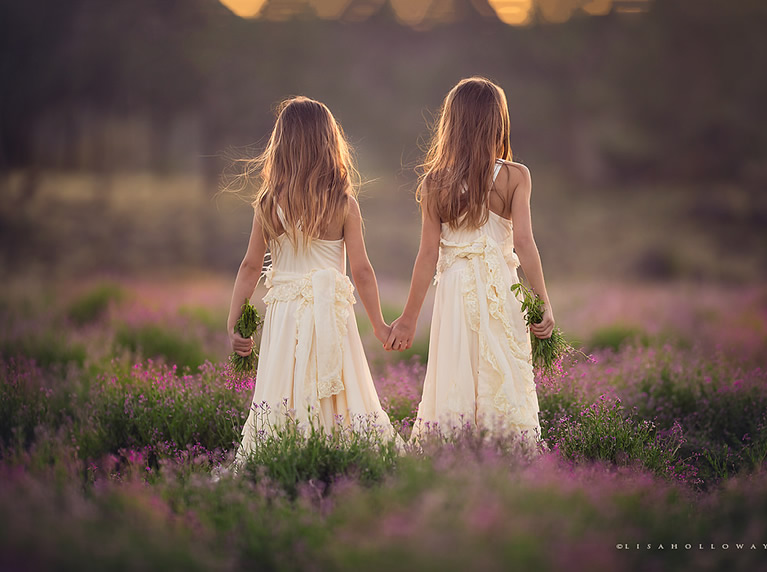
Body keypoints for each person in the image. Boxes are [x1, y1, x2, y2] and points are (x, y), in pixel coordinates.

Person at [226, 96, 398, 472]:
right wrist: (380, 325)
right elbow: (362, 270)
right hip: (331, 312)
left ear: (281, 144)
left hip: (285, 314)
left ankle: (282, 463)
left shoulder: (269, 202)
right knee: (341, 388)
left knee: (284, 385)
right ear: (328, 142)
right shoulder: (343, 202)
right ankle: (345, 463)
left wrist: (236, 322)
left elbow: (250, 266)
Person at [385, 77, 554, 441]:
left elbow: (427, 255)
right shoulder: (515, 176)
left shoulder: (436, 182)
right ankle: (505, 448)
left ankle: (451, 447)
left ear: (452, 124)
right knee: (502, 368)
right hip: (500, 287)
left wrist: (409, 319)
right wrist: (542, 302)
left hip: (456, 287)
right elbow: (524, 243)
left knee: (456, 368)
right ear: (497, 122)